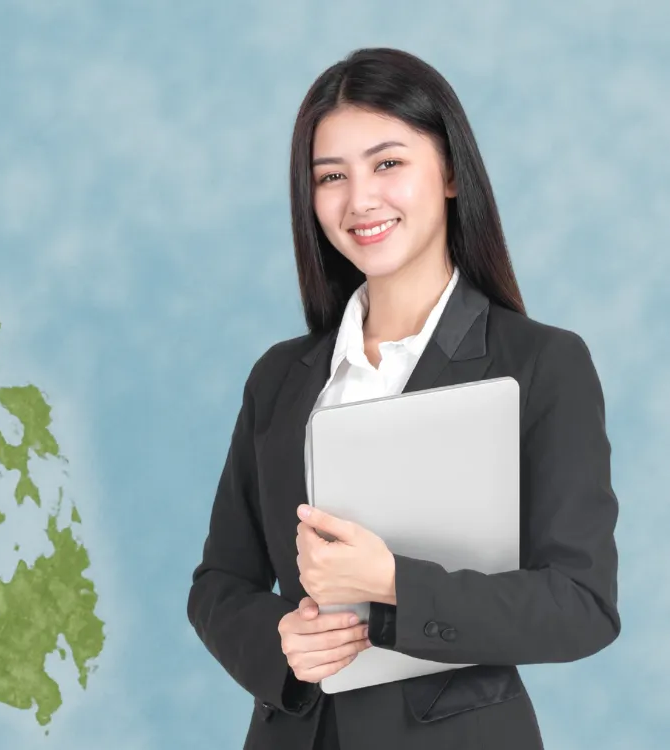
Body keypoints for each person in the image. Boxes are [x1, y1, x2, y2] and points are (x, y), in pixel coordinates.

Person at [185, 47, 621, 750]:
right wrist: (281, 643)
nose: (359, 200)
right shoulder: (279, 377)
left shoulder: (540, 365)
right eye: (331, 176)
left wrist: (392, 582)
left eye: (387, 163)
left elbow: (579, 606)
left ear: (448, 171)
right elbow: (218, 583)